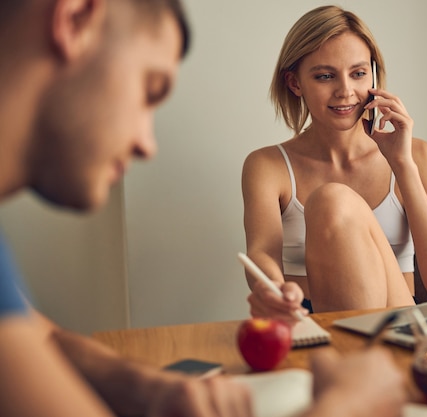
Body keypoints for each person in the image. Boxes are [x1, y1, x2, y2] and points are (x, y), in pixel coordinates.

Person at [0, 1, 406, 416]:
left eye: (358, 72)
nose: (146, 143)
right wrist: (348, 406)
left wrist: (147, 388)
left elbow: (33, 332)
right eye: (149, 90)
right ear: (74, 21)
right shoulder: (269, 166)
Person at [243, 5, 427, 321]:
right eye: (325, 76)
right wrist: (271, 290)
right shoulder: (267, 166)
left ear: (374, 75)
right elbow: (261, 253)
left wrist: (402, 164)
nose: (345, 91)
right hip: (313, 323)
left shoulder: (418, 156)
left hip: (401, 325)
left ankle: (364, 364)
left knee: (331, 199)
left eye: (359, 73)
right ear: (295, 83)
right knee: (331, 201)